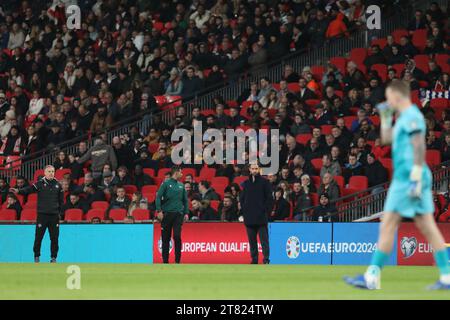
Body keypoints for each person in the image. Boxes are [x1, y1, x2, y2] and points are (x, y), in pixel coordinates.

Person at [345, 80, 450, 290]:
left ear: (397, 95)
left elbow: (419, 146)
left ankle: (372, 277)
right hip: (405, 178)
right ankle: (447, 276)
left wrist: (416, 177)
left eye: (389, 97)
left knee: (389, 225)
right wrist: (384, 119)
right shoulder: (403, 118)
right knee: (427, 227)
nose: (388, 101)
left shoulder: (412, 116)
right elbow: (386, 139)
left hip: (409, 177)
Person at [10, 165, 63, 263]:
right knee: (39, 237)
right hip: (42, 215)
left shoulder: (58, 185)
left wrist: (60, 214)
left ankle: (53, 258)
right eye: (49, 171)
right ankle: (36, 257)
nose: (51, 173)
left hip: (54, 216)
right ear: (45, 173)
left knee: (54, 238)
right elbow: (29, 189)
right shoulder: (40, 183)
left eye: (53, 171)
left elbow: (61, 201)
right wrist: (18, 191)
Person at [239, 163, 273, 264]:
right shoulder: (246, 183)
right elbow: (242, 199)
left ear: (259, 170)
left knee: (264, 241)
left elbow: (269, 199)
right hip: (249, 217)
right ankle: (254, 260)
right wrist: (244, 211)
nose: (254, 170)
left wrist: (265, 211)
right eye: (252, 168)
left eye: (256, 168)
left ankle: (266, 259)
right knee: (252, 241)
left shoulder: (265, 182)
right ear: (249, 169)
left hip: (261, 217)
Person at [155, 166, 189, 264]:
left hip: (178, 214)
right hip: (167, 214)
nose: (182, 174)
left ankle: (177, 260)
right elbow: (158, 197)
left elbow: (185, 201)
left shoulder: (181, 185)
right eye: (181, 172)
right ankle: (165, 261)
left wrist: (186, 213)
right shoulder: (165, 184)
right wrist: (159, 211)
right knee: (165, 238)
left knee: (177, 236)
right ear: (176, 172)